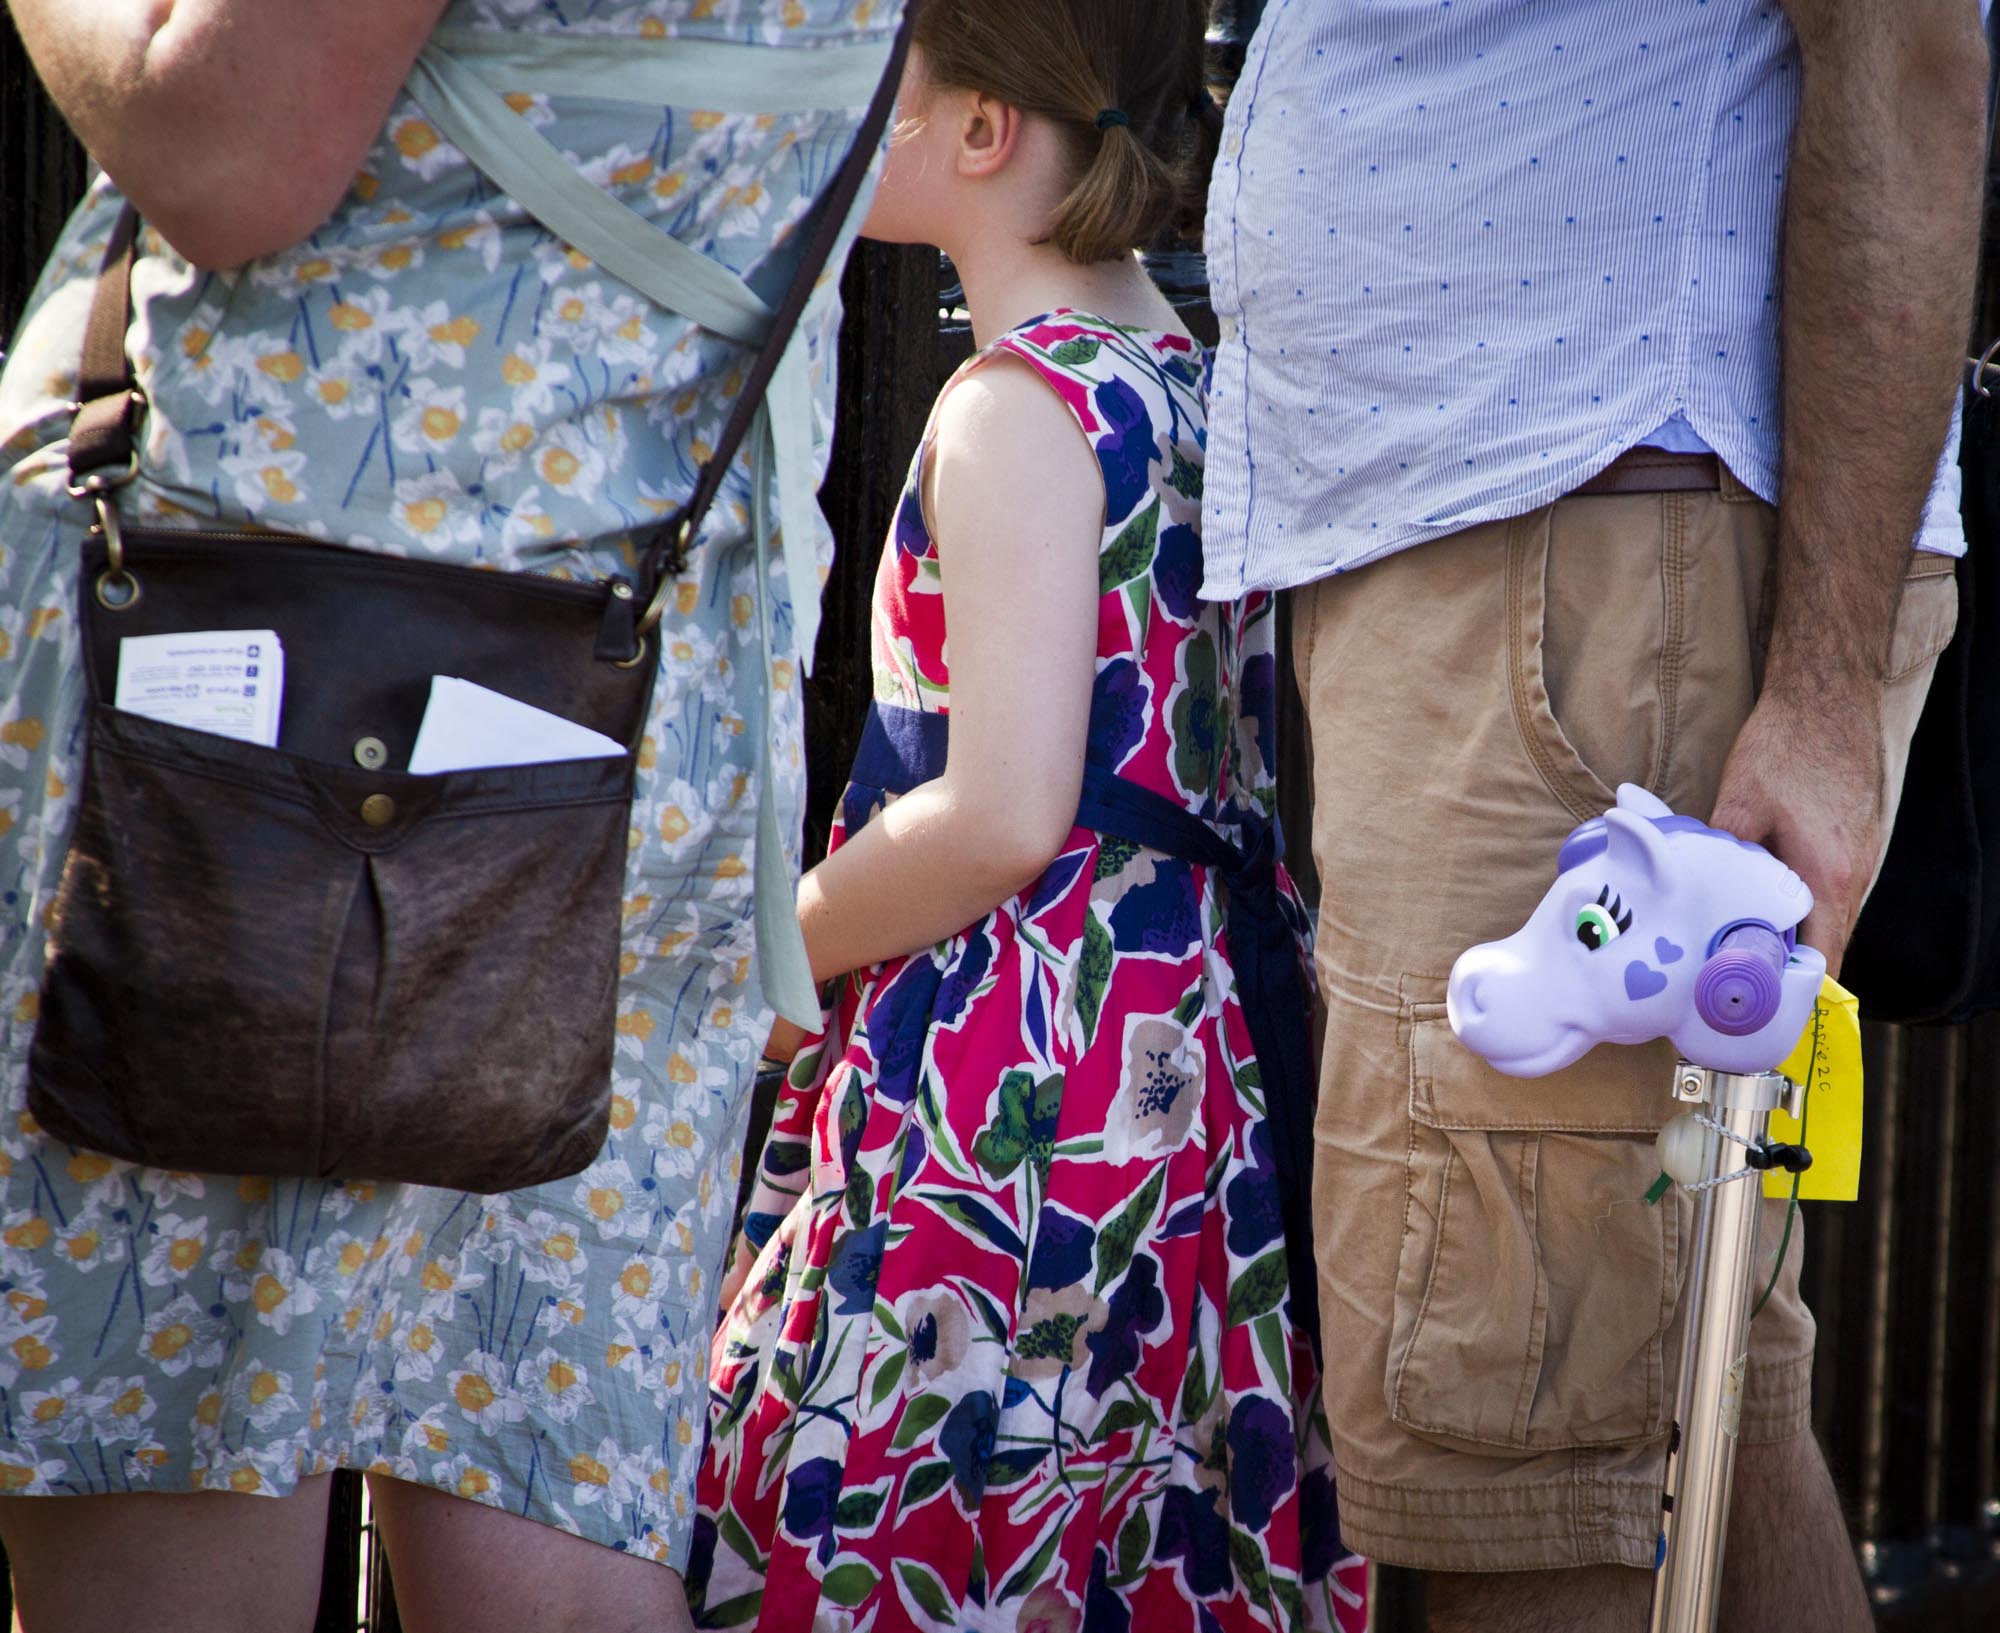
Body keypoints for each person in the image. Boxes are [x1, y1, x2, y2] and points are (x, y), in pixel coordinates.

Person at [0, 3, 902, 1630]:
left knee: (178, 1481)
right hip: (633, 695)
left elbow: (229, 140)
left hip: (249, 678)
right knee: (537, 1509)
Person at [1201, 2, 1988, 1630]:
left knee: (1527, 1453)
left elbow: (1907, 43)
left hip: (1598, 554)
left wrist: (1829, 692)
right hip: (1549, 541)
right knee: (1684, 1395)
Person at [689, 5, 1366, 1628]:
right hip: (1185, 1065)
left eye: (886, 61)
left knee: (917, 1493)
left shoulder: (1012, 411)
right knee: (1118, 1513)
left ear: (984, 133)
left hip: (1016, 1069)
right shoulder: (1193, 387)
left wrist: (748, 962)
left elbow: (999, 812)